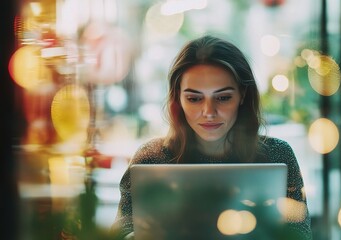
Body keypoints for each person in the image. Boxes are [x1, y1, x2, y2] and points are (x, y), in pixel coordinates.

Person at [111, 35, 312, 239]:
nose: (209, 111)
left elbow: (300, 234)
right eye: (194, 98)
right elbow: (122, 232)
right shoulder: (151, 158)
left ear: (243, 95)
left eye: (223, 97)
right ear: (178, 98)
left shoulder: (278, 154)